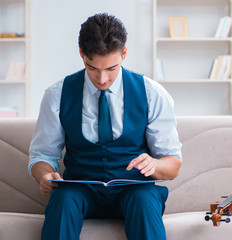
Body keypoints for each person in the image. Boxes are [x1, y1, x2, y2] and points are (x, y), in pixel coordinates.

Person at [29, 12, 182, 240]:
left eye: (111, 68)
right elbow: (41, 156)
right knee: (62, 199)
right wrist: (44, 176)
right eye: (93, 68)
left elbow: (173, 165)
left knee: (144, 199)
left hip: (135, 190)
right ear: (81, 53)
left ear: (124, 54)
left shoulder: (152, 94)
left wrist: (155, 164)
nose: (102, 79)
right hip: (80, 190)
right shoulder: (56, 95)